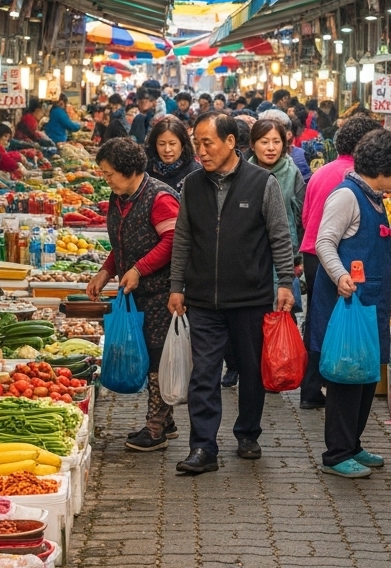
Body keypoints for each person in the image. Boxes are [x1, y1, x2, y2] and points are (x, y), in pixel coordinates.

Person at [168, 112, 297, 474]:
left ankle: (247, 433)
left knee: (252, 371)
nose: (201, 151)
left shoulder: (262, 183)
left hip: (251, 297)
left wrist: (284, 281)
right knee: (204, 373)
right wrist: (176, 286)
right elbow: (183, 239)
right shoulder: (192, 185)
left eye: (207, 143)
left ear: (230, 142)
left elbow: (279, 236)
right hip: (202, 299)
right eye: (197, 144)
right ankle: (203, 447)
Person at [308, 129, 391, 478]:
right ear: (383, 167)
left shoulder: (373, 196)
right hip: (347, 302)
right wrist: (340, 276)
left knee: (366, 374)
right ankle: (336, 453)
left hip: (369, 302)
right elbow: (325, 242)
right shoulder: (347, 196)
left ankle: (353, 443)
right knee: (345, 376)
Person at [85, 138, 181, 451]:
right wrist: (105, 271)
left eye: (109, 173)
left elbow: (173, 241)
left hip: (161, 291)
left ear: (128, 171)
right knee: (150, 352)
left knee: (156, 357)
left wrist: (139, 269)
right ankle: (165, 419)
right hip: (136, 291)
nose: (106, 178)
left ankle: (155, 430)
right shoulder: (120, 197)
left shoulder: (159, 198)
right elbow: (122, 242)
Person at [296, 115, 381, 409]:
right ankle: (335, 381)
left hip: (311, 252)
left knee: (318, 321)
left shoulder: (322, 172)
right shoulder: (357, 179)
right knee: (336, 323)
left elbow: (306, 216)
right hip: (337, 259)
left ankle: (310, 387)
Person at [249, 118, 305, 251]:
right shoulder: (244, 174)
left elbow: (302, 217)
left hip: (287, 250)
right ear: (252, 145)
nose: (271, 148)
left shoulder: (292, 173)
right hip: (252, 250)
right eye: (264, 142)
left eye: (276, 142)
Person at [146, 116, 201, 192]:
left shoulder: (195, 173)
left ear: (182, 145)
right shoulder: (146, 172)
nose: (167, 149)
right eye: (162, 144)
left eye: (172, 144)